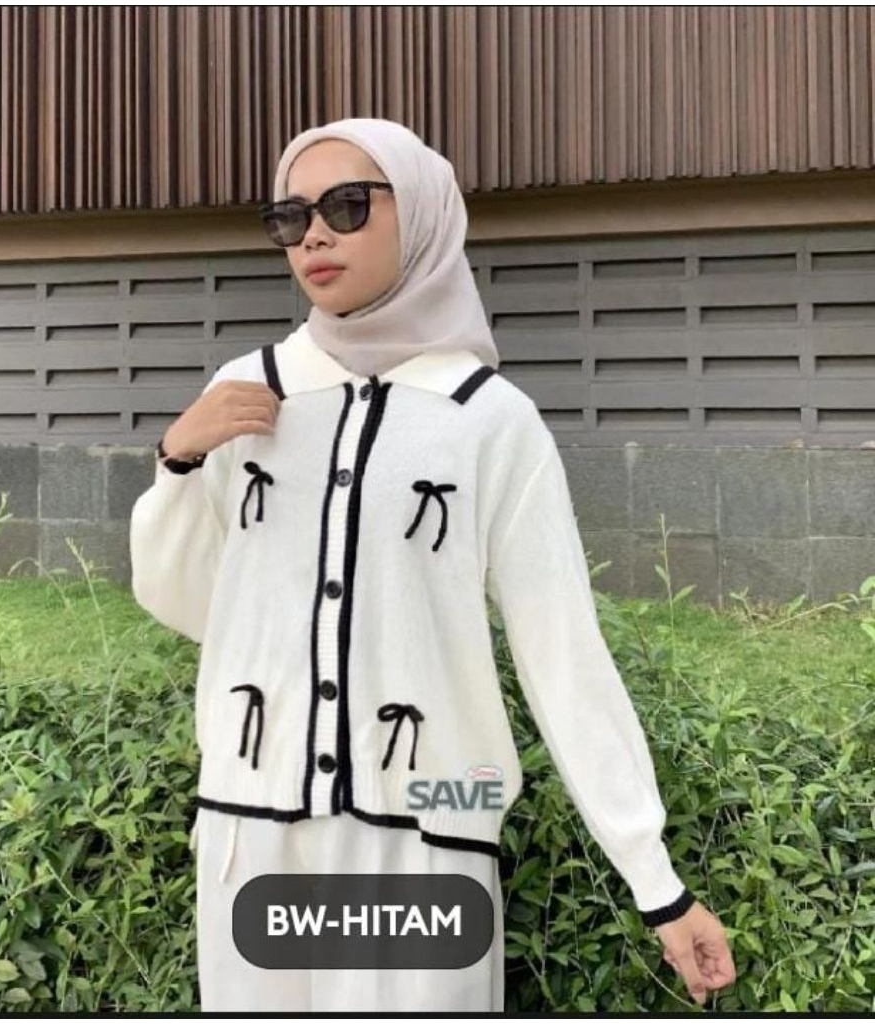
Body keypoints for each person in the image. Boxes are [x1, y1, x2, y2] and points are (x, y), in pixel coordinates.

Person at [129, 118, 737, 1012]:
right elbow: (190, 604)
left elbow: (561, 650)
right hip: (252, 835)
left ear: (419, 214)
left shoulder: (486, 417)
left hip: (423, 837)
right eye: (291, 217)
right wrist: (178, 461)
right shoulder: (246, 392)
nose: (315, 236)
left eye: (346, 206)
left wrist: (658, 884)